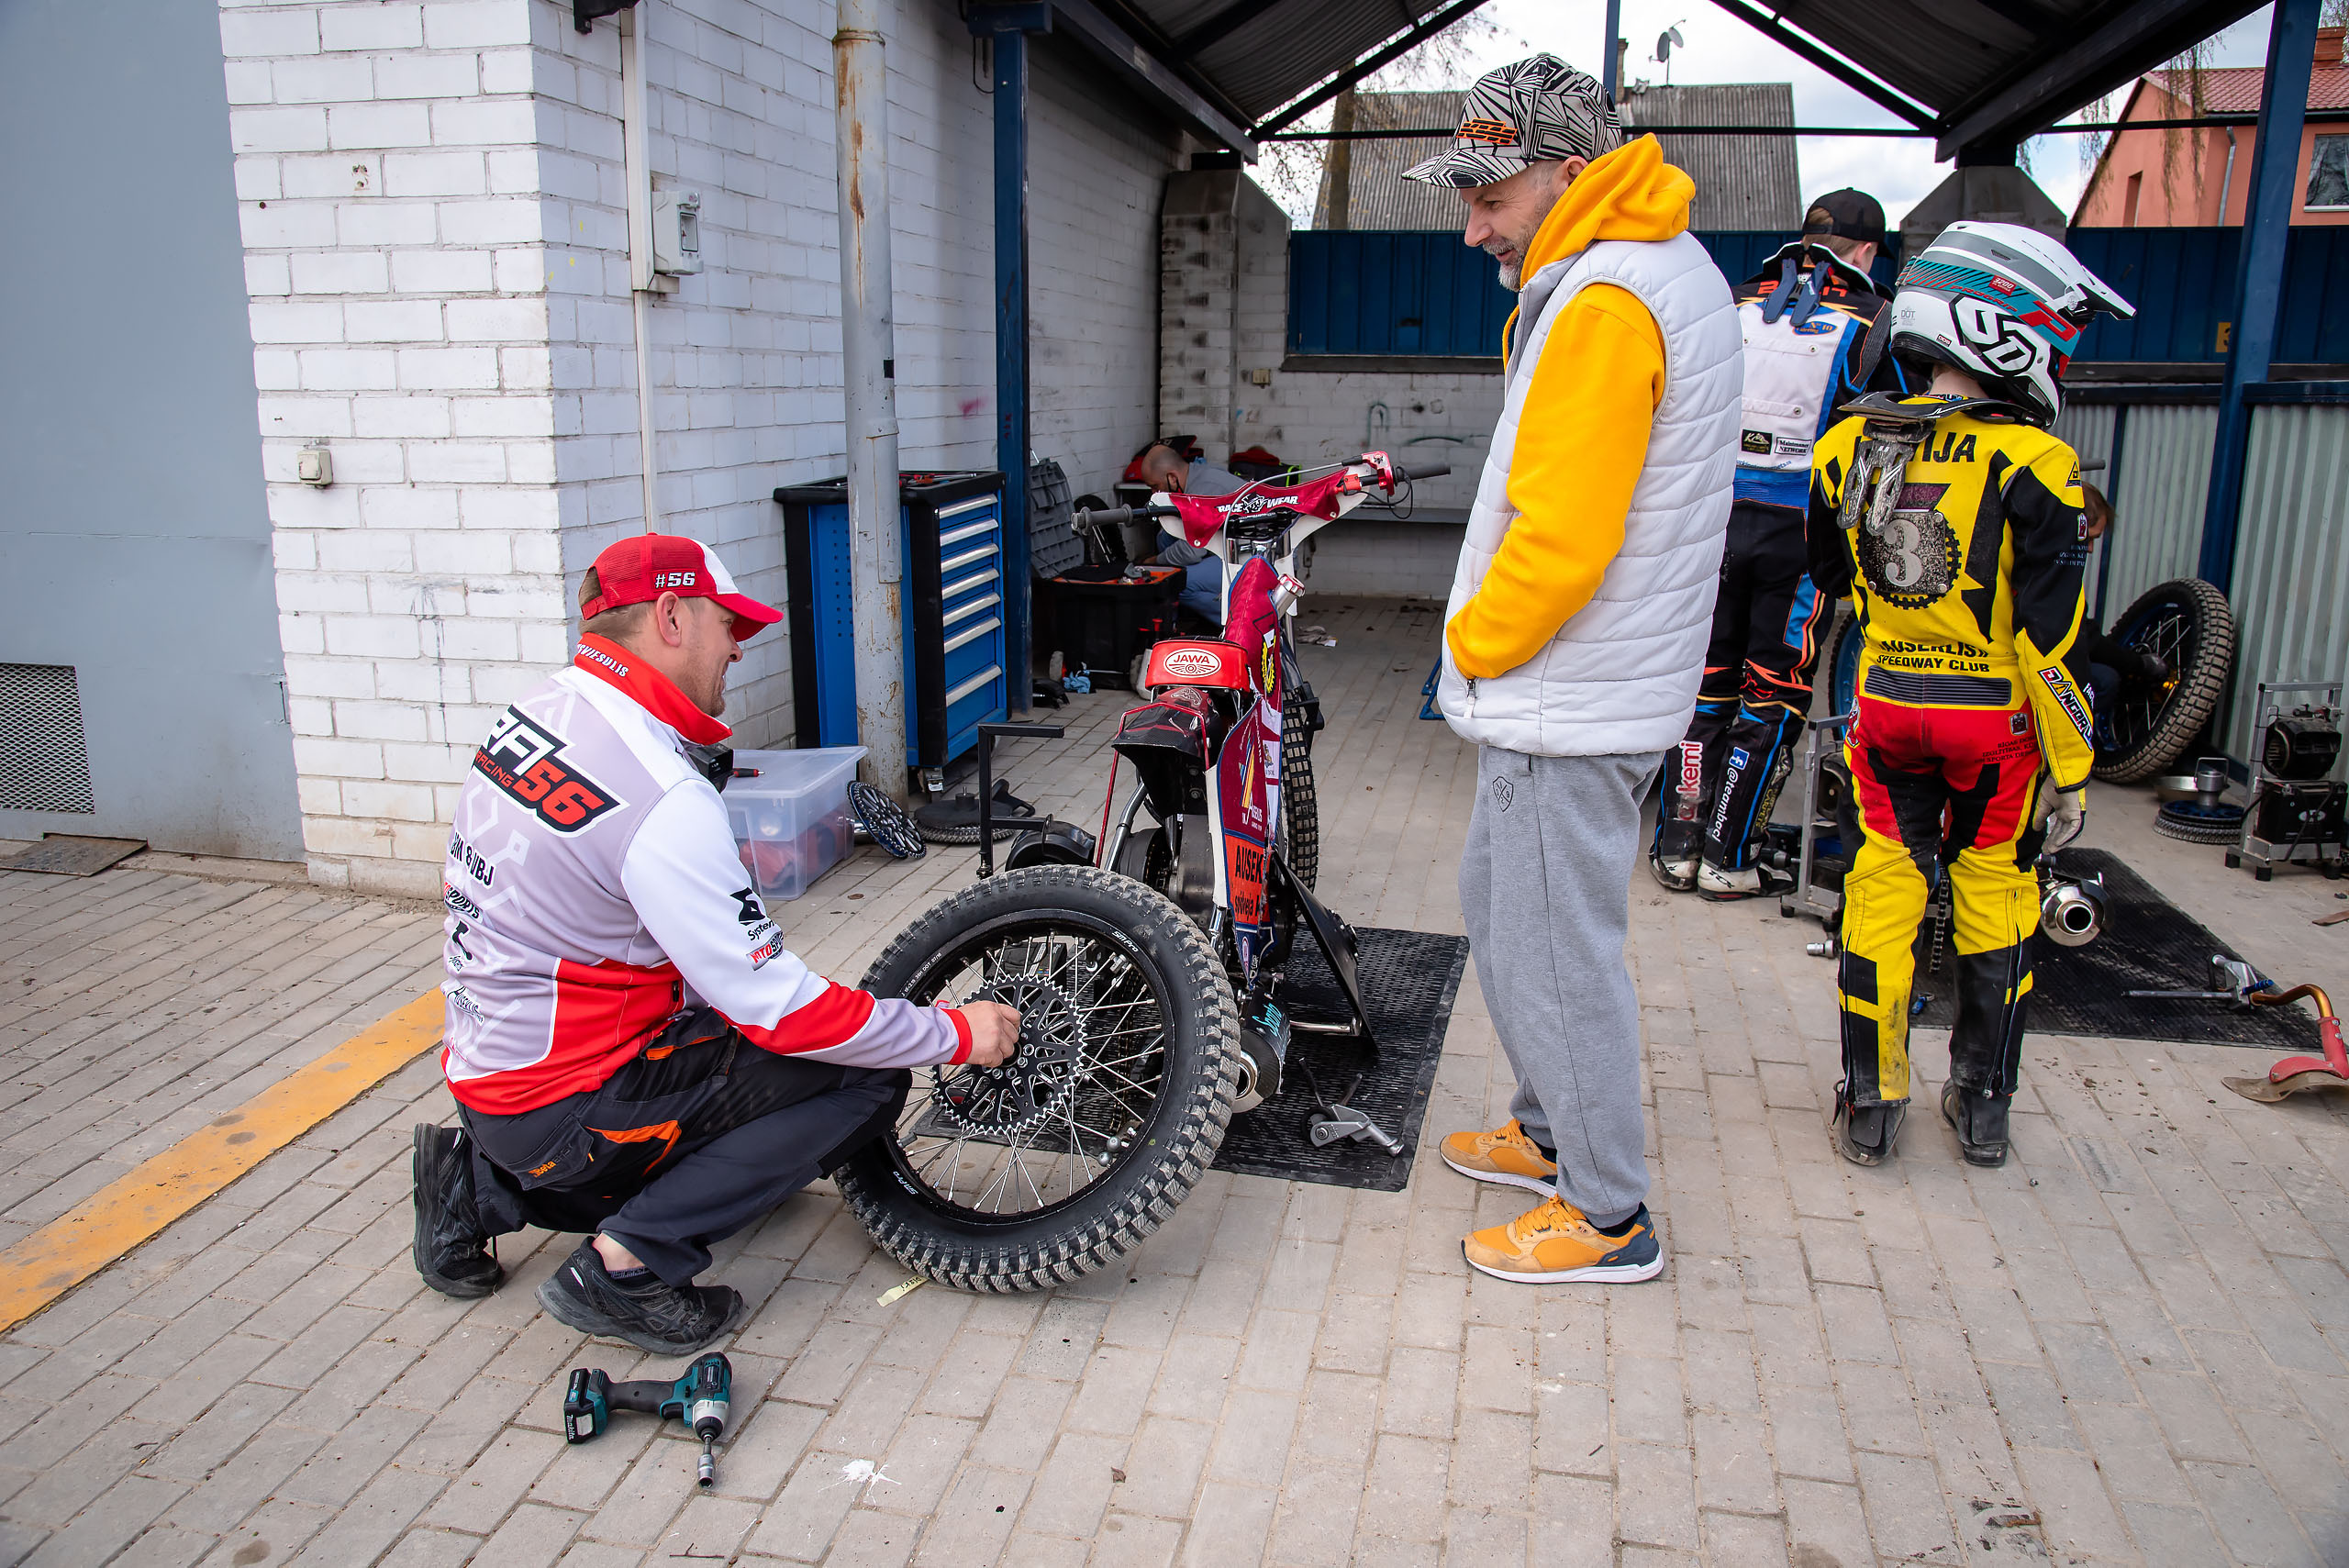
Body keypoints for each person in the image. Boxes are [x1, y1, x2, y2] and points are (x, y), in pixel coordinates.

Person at [411, 533, 1021, 1352]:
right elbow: (778, 1010)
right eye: (727, 623)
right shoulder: (658, 792)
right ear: (669, 614)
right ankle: (625, 1268)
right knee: (865, 1080)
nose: (739, 646)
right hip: (564, 1107)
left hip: (490, 1075)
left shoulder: (543, 712)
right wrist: (954, 1032)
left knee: (753, 1068)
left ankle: (473, 1181)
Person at [1408, 54, 1741, 1284]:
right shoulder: (1648, 270)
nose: (1473, 225)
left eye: (1491, 195)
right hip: (1593, 687)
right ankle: (1550, 1133)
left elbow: (1563, 535)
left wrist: (1471, 646)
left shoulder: (1607, 301)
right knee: (1506, 910)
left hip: (1570, 693)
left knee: (1552, 948)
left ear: (1570, 172)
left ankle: (1608, 1217)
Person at [1807, 221, 2134, 1168]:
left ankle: (1871, 1106)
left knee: (1881, 890)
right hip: (1992, 726)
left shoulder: (1846, 445)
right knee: (1995, 894)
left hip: (1884, 707)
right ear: (2006, 324)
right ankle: (1981, 1106)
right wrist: (2073, 768)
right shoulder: (2037, 462)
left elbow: (1827, 576)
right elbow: (2051, 640)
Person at [1656, 189, 1911, 896]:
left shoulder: (1733, 299)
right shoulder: (1876, 321)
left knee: (1703, 685)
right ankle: (1728, 859)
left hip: (1709, 524)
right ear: (1864, 252)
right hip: (1800, 536)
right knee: (1771, 694)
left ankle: (1676, 845)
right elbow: (1893, 433)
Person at [2068, 482, 2173, 715]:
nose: (2091, 549)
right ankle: (2076, 746)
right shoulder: (2055, 573)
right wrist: (2140, 665)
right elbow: (2084, 638)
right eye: (2089, 539)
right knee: (2105, 680)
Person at [1133, 440, 1247, 623]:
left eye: (1155, 486)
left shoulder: (1203, 492)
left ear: (1172, 477)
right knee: (1165, 537)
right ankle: (1180, 612)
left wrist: (1154, 562)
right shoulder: (1197, 476)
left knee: (1178, 583)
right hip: (1230, 547)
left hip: (1253, 558)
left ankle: (1243, 621)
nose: (1154, 493)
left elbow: (1192, 550)